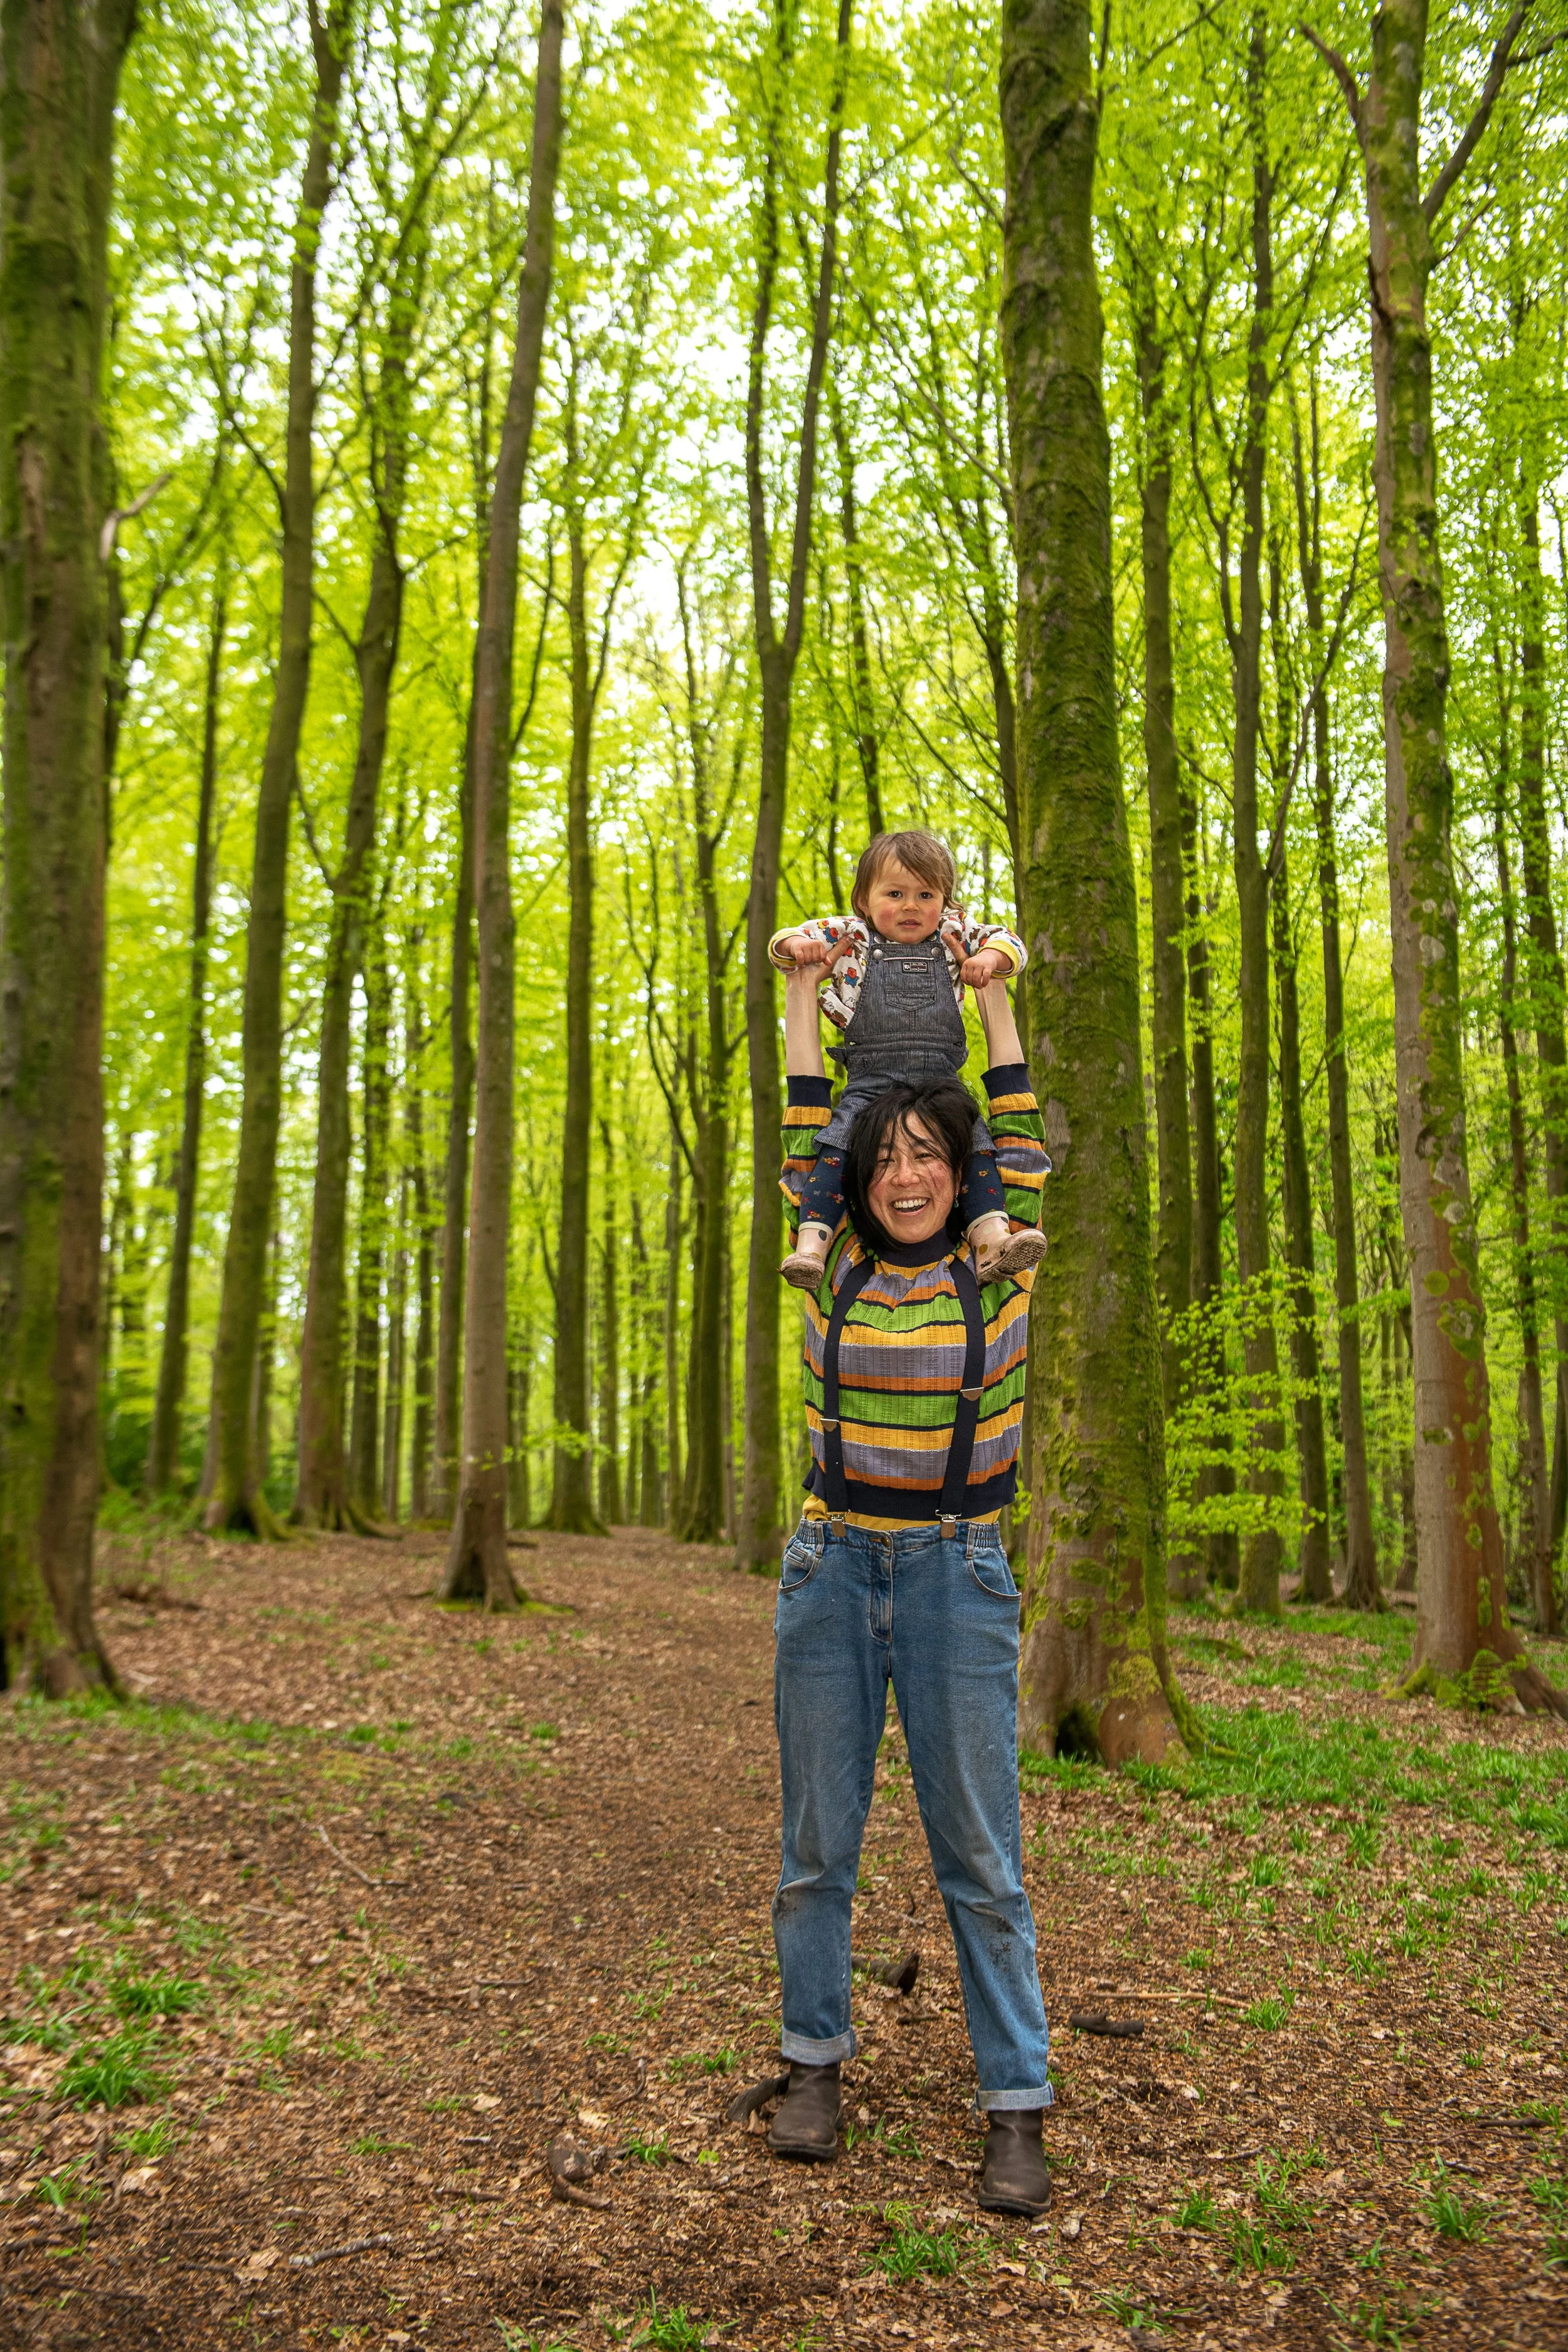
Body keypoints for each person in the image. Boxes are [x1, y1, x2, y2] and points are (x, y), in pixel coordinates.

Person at [763, 950, 1054, 2218]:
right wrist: (800, 989)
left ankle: (1015, 2103)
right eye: (883, 1161)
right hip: (829, 1569)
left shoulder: (1001, 1264)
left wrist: (993, 990)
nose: (905, 1175)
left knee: (977, 1857)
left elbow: (1016, 1118)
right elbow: (800, 1117)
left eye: (927, 1156)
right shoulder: (826, 1264)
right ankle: (810, 2063)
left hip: (957, 1569)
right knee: (816, 1846)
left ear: (960, 1169)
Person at [768, 829, 1048, 1291]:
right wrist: (796, 950)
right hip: (869, 1079)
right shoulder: (851, 936)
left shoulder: (954, 934)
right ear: (863, 899)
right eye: (894, 894)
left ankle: (992, 1239)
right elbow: (786, 941)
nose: (911, 906)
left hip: (941, 1081)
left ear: (946, 902)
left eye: (926, 895)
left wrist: (992, 961)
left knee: (978, 1145)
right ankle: (812, 1245)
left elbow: (1010, 942)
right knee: (833, 1148)